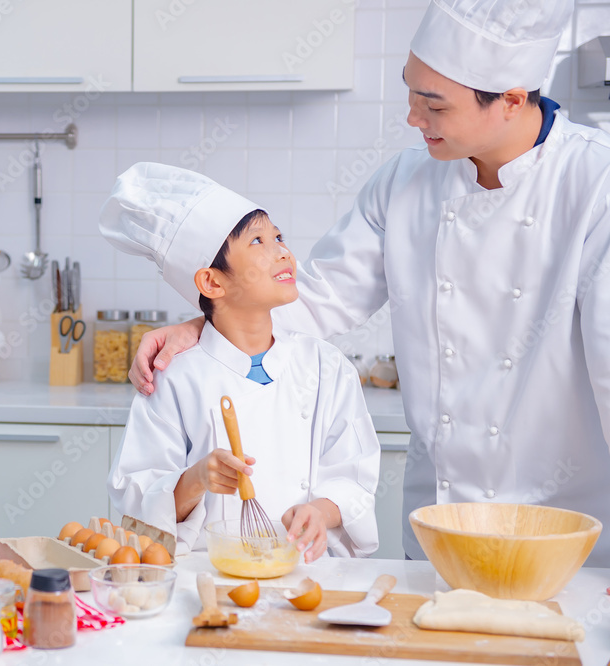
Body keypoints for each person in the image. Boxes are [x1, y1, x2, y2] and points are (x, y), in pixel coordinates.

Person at [130, 0, 610, 566]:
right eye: (410, 91)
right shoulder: (405, 183)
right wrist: (202, 324)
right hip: (440, 523)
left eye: (433, 104)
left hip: (561, 529)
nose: (412, 118)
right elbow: (316, 300)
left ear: (508, 99)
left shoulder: (594, 182)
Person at [100, 163, 380, 561]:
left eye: (279, 236)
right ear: (213, 282)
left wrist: (319, 512)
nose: (283, 250)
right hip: (205, 577)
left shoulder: (325, 366)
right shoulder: (176, 377)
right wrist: (196, 479)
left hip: (306, 570)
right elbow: (137, 501)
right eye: (258, 242)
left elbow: (354, 476)